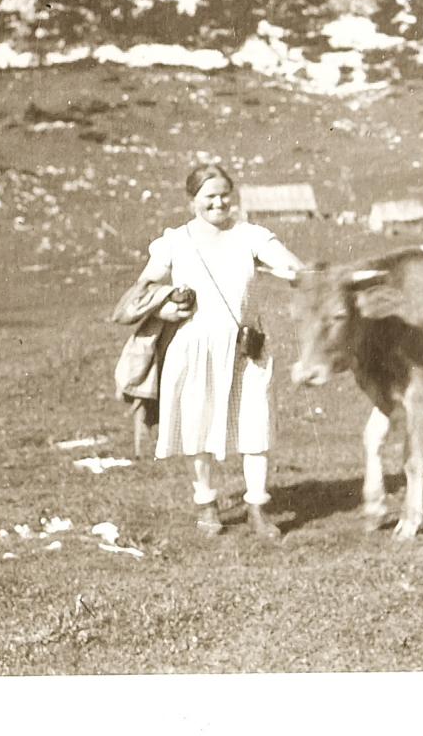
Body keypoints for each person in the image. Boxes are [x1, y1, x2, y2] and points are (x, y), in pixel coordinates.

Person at [131, 163, 306, 538]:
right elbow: (141, 290)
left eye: (225, 194)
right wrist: (163, 308)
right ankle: (206, 505)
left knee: (256, 424)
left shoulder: (251, 236)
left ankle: (257, 507)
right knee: (198, 426)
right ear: (192, 200)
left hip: (247, 348)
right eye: (209, 196)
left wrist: (295, 272)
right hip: (194, 347)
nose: (219, 202)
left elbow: (292, 265)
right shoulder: (175, 242)